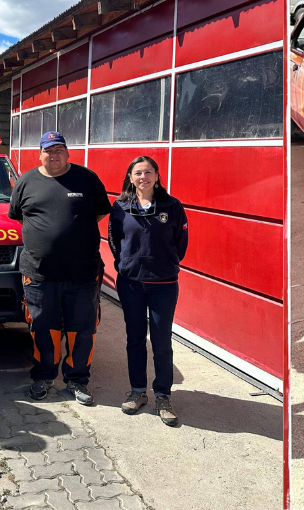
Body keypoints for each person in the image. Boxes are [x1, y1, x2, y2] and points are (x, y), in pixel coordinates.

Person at [9, 131, 112, 404]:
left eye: (59, 150)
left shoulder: (87, 179)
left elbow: (101, 211)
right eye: (48, 151)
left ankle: (77, 380)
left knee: (82, 329)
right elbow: (18, 214)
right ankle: (43, 377)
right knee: (44, 328)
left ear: (68, 153)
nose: (53, 155)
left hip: (83, 273)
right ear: (39, 154)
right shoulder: (26, 181)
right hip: (39, 273)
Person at [108, 156, 189, 427]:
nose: (143, 177)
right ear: (130, 177)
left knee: (161, 342)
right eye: (138, 173)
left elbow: (181, 242)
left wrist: (164, 263)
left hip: (163, 285)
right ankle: (138, 391)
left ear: (157, 176)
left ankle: (163, 395)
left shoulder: (172, 206)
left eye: (148, 172)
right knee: (134, 339)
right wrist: (126, 265)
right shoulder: (120, 207)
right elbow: (114, 240)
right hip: (131, 284)